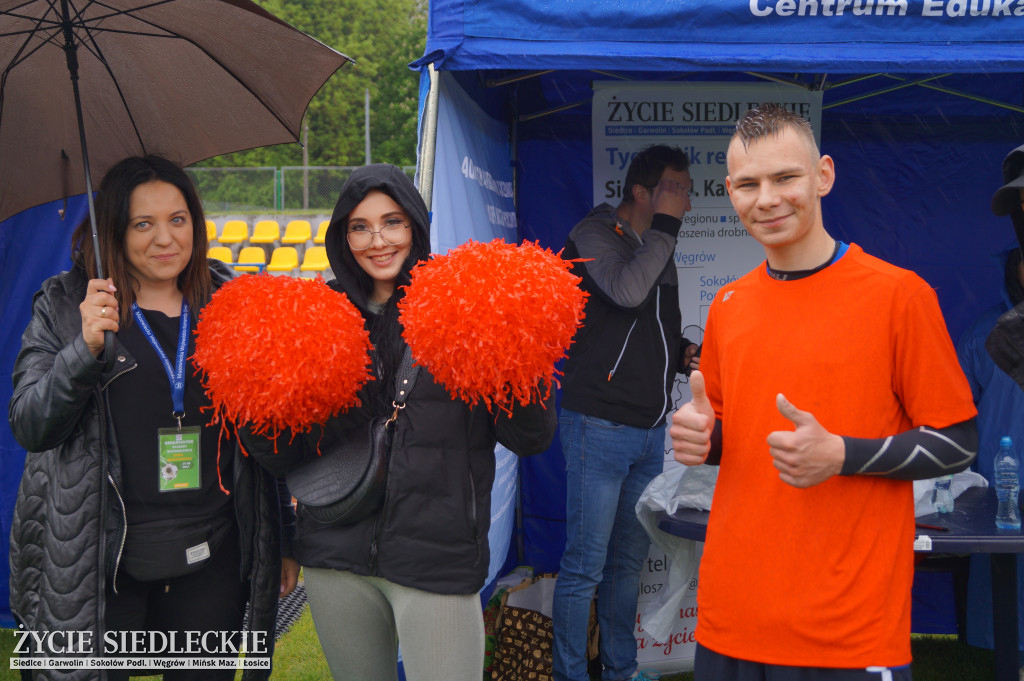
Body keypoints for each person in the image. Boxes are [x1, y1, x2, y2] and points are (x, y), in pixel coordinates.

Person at [670, 103, 979, 681]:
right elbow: (737, 444)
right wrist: (702, 439)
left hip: (846, 632)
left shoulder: (899, 296)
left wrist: (843, 455)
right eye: (747, 184)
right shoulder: (729, 307)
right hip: (729, 619)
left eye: (785, 177)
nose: (766, 199)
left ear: (824, 176)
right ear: (730, 192)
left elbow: (958, 443)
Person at [239, 163, 557, 681]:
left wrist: (520, 355)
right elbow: (286, 457)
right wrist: (257, 405)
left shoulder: (464, 306)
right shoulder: (317, 318)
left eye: (392, 221)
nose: (377, 240)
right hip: (335, 558)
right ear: (343, 236)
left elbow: (531, 437)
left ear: (415, 225)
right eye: (359, 226)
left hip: (436, 561)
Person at [8, 155, 297, 680]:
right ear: (114, 229)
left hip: (209, 562)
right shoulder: (67, 302)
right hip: (102, 564)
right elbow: (30, 424)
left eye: (178, 219)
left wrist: (285, 539)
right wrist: (83, 349)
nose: (165, 239)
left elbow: (263, 438)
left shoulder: (230, 303)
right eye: (144, 223)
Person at [553, 144, 700, 681]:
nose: (687, 199)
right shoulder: (592, 235)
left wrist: (682, 350)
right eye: (676, 188)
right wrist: (665, 227)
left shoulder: (658, 243)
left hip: (648, 430)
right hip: (599, 424)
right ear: (643, 192)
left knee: (624, 568)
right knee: (584, 569)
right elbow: (628, 291)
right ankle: (569, 675)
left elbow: (654, 326)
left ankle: (621, 670)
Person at [958, 143, 1024, 664]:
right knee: (1003, 571)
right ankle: (999, 650)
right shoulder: (988, 332)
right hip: (1003, 478)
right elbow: (959, 406)